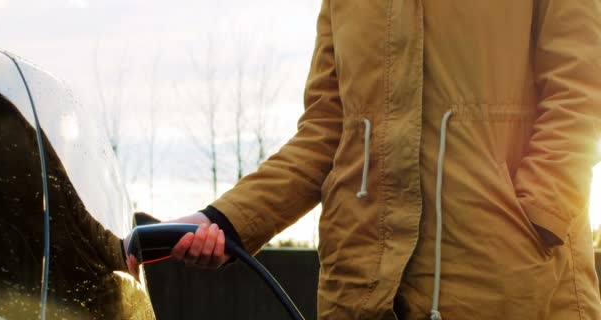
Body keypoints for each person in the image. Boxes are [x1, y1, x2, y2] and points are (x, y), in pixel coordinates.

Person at [126, 1, 601, 319]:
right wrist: (223, 219)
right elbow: (326, 132)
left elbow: (581, 93)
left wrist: (536, 220)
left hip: (510, 289)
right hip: (358, 294)